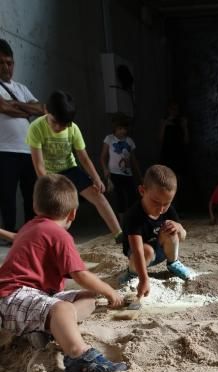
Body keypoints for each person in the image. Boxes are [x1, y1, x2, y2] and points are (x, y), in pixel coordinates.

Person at [0, 174, 127, 372]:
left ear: (35, 206)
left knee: (87, 297)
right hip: (13, 296)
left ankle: (48, 328)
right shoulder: (59, 235)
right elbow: (81, 274)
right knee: (63, 308)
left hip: (29, 299)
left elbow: (19, 238)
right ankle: (78, 357)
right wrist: (110, 291)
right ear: (73, 214)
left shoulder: (30, 226)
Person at [26, 90, 122, 241]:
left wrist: (97, 178)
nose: (58, 128)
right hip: (49, 174)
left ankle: (119, 234)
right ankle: (50, 240)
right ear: (45, 110)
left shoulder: (73, 128)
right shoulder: (35, 128)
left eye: (63, 125)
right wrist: (49, 186)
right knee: (53, 208)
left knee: (99, 197)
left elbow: (83, 157)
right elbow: (38, 165)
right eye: (54, 122)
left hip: (70, 169)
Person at [119, 164, 192, 296]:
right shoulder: (133, 215)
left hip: (161, 251)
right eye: (156, 202)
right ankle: (132, 273)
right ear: (142, 191)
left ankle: (173, 263)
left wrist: (179, 227)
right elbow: (137, 249)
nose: (161, 208)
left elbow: (183, 236)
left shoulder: (167, 210)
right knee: (146, 250)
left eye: (167, 203)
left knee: (172, 230)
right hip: (139, 256)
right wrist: (143, 278)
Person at [0, 39, 44, 235]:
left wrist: (16, 106)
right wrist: (27, 110)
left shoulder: (21, 88)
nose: (5, 67)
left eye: (9, 63)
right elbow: (2, 107)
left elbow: (42, 109)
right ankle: (8, 233)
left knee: (32, 195)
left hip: (28, 150)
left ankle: (30, 233)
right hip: (4, 150)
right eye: (0, 63)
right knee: (6, 196)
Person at [100, 112, 141, 235]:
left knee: (133, 199)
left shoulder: (130, 141)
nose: (122, 131)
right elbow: (103, 157)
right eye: (120, 129)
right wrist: (105, 170)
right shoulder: (109, 139)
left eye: (124, 128)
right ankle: (122, 228)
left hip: (128, 175)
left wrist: (140, 176)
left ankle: (133, 223)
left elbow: (134, 160)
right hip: (115, 174)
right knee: (121, 200)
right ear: (115, 128)